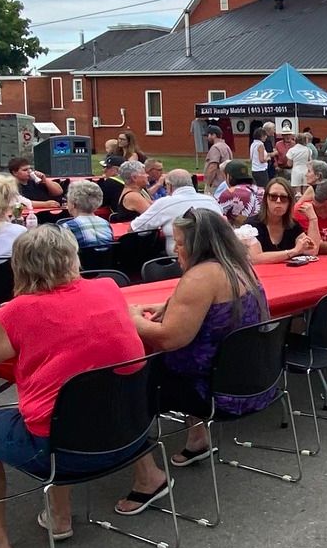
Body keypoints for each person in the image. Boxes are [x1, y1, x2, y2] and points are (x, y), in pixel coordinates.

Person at [0, 225, 151, 548]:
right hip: (130, 436)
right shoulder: (108, 289)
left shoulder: (20, 311)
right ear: (72, 258)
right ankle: (57, 518)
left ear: (20, 267)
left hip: (65, 450)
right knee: (60, 407)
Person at [116, 206, 277, 509]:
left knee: (123, 380)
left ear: (196, 244)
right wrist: (171, 304)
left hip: (213, 391)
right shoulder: (239, 266)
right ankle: (197, 439)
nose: (174, 248)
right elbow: (209, 310)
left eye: (178, 242)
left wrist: (132, 319)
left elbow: (168, 338)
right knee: (197, 354)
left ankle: (148, 478)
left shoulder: (200, 277)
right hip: (253, 379)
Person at [132, 167, 223, 234]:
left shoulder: (165, 203)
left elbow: (135, 228)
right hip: (215, 255)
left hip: (179, 257)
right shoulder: (211, 201)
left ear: (169, 185)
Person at [250, 178, 316, 263]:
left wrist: (313, 219)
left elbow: (311, 251)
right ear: (266, 199)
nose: (278, 201)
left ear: (289, 202)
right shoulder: (252, 225)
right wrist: (293, 252)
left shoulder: (292, 225)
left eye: (284, 198)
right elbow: (256, 258)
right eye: (273, 197)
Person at [59, 179, 116, 254]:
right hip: (108, 263)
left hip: (81, 264)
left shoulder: (67, 227)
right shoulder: (105, 223)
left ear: (73, 204)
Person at [212, 161, 261, 225]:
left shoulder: (229, 193)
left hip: (239, 233)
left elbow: (216, 217)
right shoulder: (261, 191)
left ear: (229, 176)